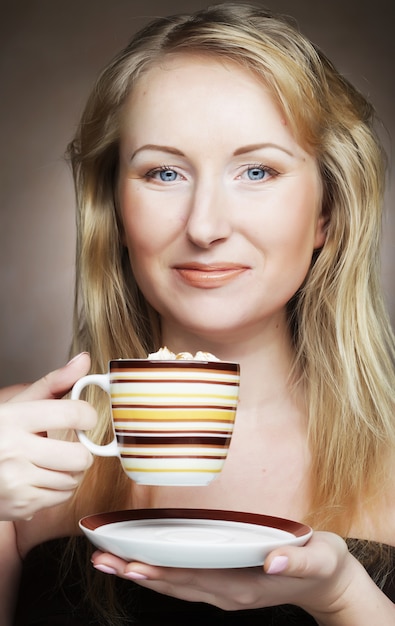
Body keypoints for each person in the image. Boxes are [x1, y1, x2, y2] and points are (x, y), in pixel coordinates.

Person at [2, 3, 395, 624]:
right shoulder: (22, 445)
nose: (205, 226)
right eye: (163, 172)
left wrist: (344, 597)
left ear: (328, 213)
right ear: (117, 213)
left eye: (257, 170)